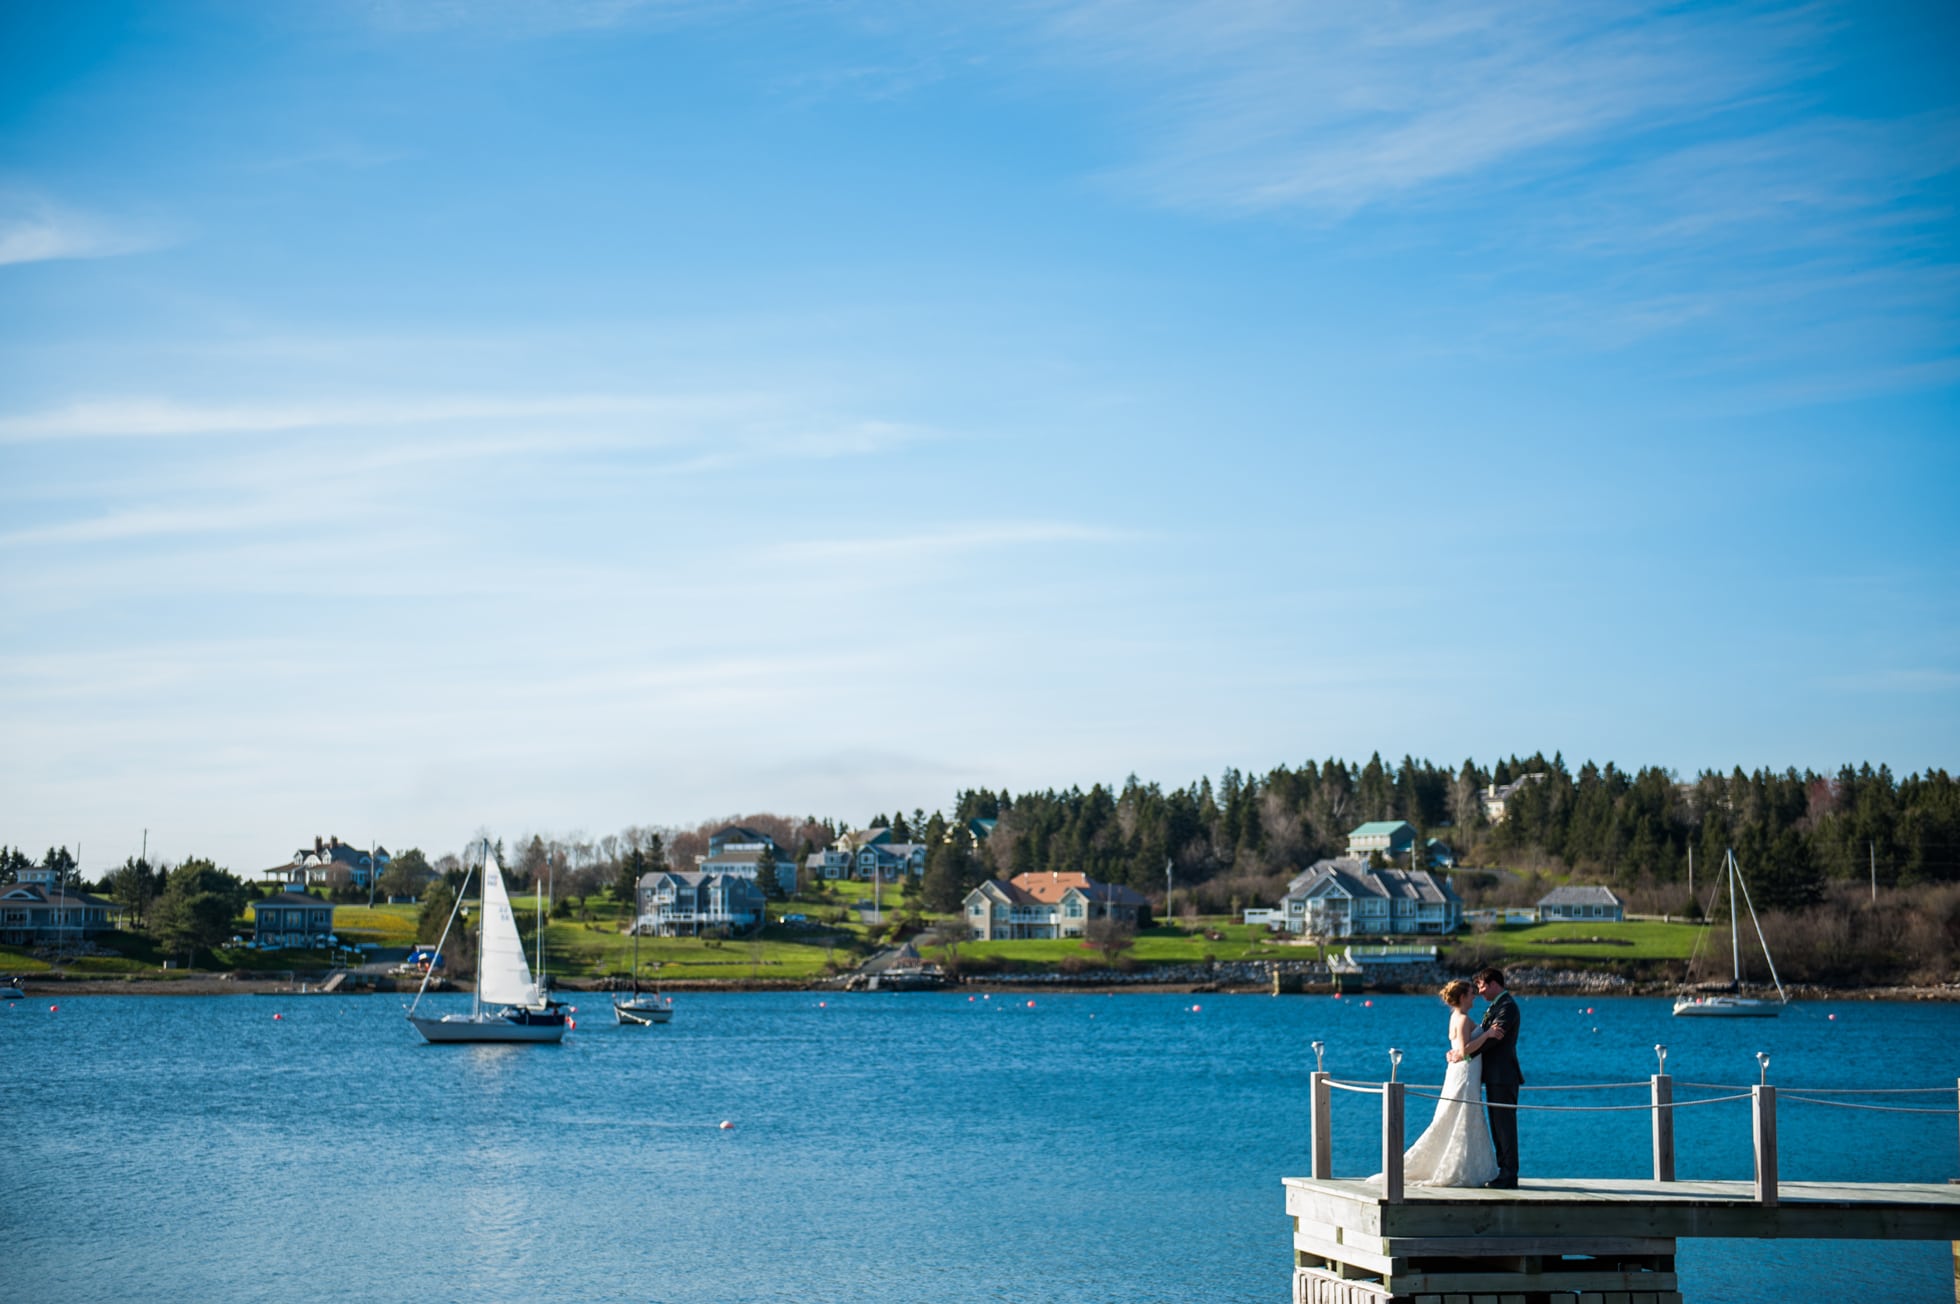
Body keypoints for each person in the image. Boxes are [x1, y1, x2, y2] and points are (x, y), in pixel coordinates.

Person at [1394, 979, 1501, 1188]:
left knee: (1462, 1115)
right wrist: (1488, 1034)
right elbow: (1464, 1050)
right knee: (1461, 1114)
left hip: (1463, 1071)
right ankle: (1460, 1167)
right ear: (1462, 997)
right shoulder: (1461, 1018)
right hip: (1466, 1072)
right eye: (1471, 993)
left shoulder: (1456, 1017)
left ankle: (1465, 1165)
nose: (1474, 997)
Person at [1450, 965, 1523, 1188]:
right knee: (1497, 1125)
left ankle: (1509, 1174)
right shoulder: (1496, 1006)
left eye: (1481, 986)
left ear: (1493, 984)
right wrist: (1461, 1051)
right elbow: (1484, 1033)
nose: (1479, 991)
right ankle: (1504, 1170)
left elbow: (1494, 1038)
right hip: (1494, 1076)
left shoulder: (1507, 1007)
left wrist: (1465, 1055)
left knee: (1504, 1126)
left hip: (1503, 1075)